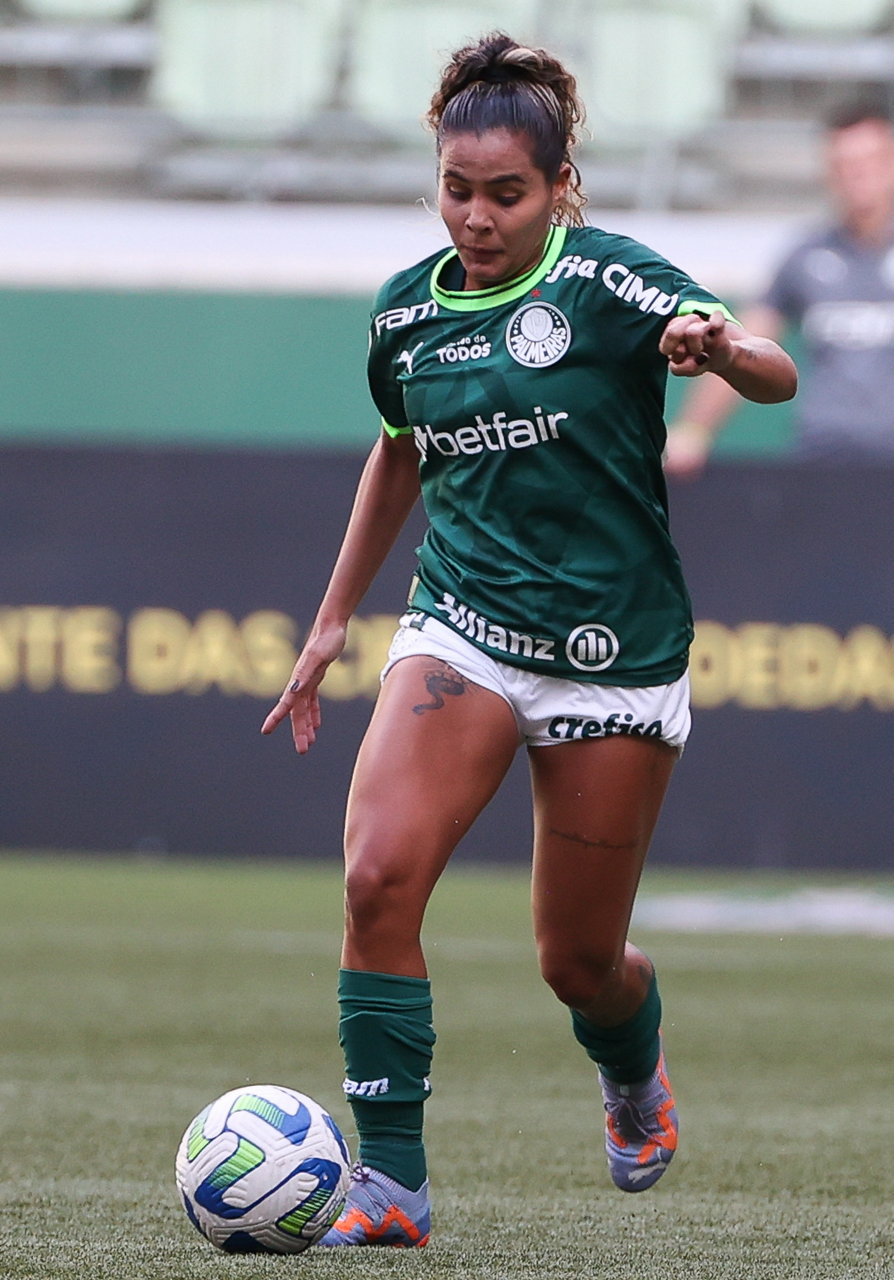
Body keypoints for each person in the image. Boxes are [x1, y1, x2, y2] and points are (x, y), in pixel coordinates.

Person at [262, 32, 797, 1248]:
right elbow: (401, 450)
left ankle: (632, 1065)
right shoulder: (406, 313)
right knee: (376, 876)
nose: (477, 216)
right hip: (462, 625)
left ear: (559, 187)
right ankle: (391, 1186)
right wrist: (336, 616)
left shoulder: (608, 281)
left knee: (578, 961)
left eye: (506, 192)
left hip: (615, 652)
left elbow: (775, 373)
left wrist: (718, 348)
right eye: (457, 189)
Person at [666, 98, 894, 475]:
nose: (858, 176)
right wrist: (693, 430)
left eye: (869, 162)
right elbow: (745, 343)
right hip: (824, 460)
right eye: (844, 165)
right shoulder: (806, 256)